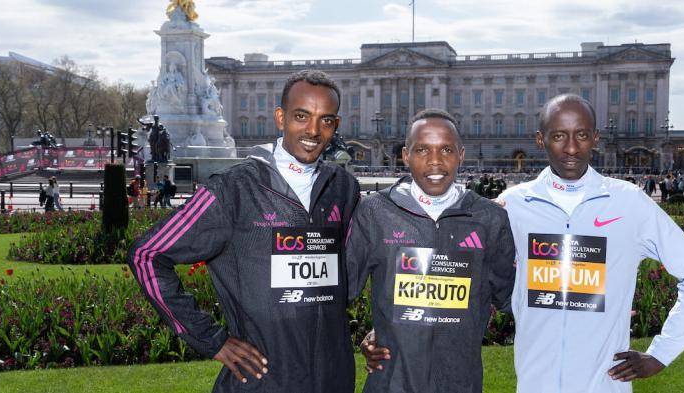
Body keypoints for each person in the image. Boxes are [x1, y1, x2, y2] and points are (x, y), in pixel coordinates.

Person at [128, 70, 360, 393]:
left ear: (335, 126)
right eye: (301, 116)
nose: (313, 130)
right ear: (280, 118)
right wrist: (212, 340)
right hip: (262, 381)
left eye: (326, 120)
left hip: (333, 379)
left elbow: (352, 273)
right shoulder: (232, 189)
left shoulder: (344, 188)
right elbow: (146, 255)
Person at [498, 94, 684, 392]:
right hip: (535, 384)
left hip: (603, 385)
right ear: (541, 139)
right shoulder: (513, 203)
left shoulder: (629, 202)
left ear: (596, 138)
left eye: (582, 135)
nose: (572, 148)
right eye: (559, 136)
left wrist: (661, 354)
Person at [347, 109, 515, 393]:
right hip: (392, 383)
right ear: (405, 155)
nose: (435, 161)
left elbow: (517, 300)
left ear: (461, 155)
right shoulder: (373, 212)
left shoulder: (489, 218)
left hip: (459, 382)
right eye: (422, 149)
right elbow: (334, 294)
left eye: (446, 149)